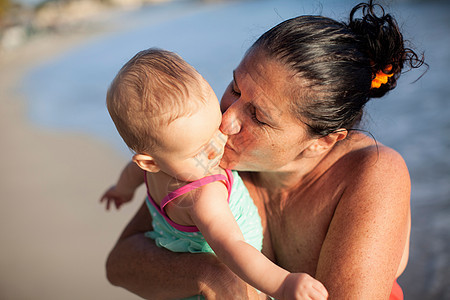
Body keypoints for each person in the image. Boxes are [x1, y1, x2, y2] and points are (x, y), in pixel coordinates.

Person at [104, 1, 424, 299]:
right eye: (235, 88)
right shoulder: (207, 160)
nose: (226, 120)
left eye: (257, 116)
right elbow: (119, 264)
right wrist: (211, 274)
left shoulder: (373, 173)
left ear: (322, 142)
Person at [101, 48, 328, 300]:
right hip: (239, 280)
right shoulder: (203, 195)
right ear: (149, 162)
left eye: (214, 129)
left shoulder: (154, 165)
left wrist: (119, 192)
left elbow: (128, 178)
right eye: (199, 150)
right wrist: (284, 283)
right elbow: (234, 247)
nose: (217, 146)